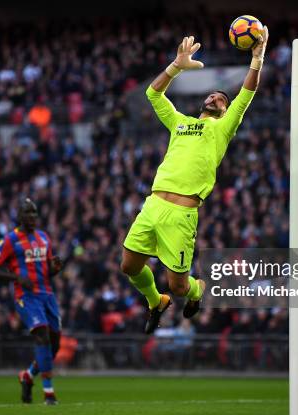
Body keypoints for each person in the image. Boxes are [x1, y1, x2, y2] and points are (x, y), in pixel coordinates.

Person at [120, 30, 269, 334]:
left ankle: (197, 290)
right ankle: (154, 301)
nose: (216, 97)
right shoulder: (181, 122)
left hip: (182, 215)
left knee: (179, 286)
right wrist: (175, 66)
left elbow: (246, 94)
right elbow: (153, 94)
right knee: (129, 267)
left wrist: (257, 58)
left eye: (222, 99)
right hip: (154, 204)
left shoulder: (223, 128)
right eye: (213, 95)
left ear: (226, 111)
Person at [0, 198, 62, 405]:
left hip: (48, 295)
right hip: (26, 297)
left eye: (35, 213)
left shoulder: (44, 238)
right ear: (19, 216)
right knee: (43, 337)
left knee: (54, 346)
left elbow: (47, 271)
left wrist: (54, 269)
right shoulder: (10, 240)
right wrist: (16, 278)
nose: (33, 217)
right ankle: (49, 393)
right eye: (28, 213)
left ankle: (28, 376)